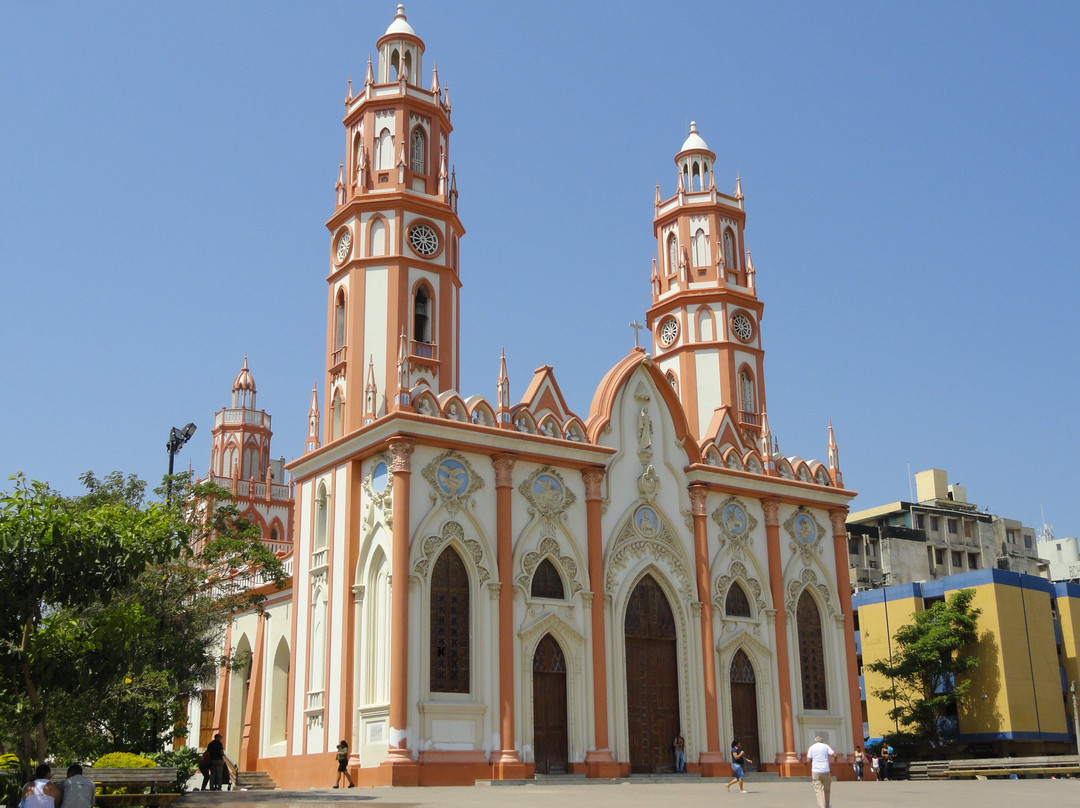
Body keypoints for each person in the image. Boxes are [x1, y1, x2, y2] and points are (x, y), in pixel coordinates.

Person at [804, 734, 837, 808]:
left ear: (815, 741)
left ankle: (822, 806)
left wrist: (811, 764)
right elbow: (835, 755)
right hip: (826, 770)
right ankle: (827, 805)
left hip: (816, 771)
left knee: (818, 790)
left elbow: (808, 760)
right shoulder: (826, 746)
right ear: (822, 741)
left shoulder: (812, 747)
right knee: (827, 789)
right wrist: (835, 760)